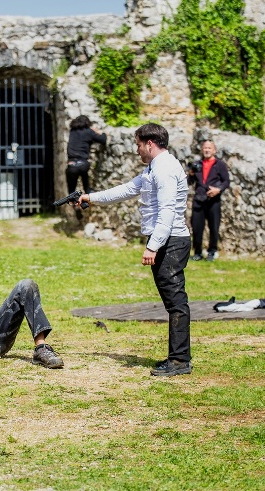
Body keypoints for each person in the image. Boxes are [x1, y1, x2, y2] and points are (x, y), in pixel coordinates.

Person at [76, 123, 192, 377]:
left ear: (150, 143)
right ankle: (178, 357)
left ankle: (180, 360)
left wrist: (153, 246)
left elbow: (167, 213)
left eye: (138, 144)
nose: (137, 150)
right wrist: (90, 197)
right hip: (166, 240)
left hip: (171, 241)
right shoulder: (154, 168)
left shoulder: (165, 170)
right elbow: (127, 189)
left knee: (176, 302)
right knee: (173, 301)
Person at [187, 140, 230, 261]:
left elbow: (226, 181)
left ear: (214, 150)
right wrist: (190, 174)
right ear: (202, 150)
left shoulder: (219, 164)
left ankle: (212, 251)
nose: (207, 150)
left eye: (209, 148)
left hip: (213, 201)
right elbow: (189, 182)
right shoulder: (197, 164)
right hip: (198, 200)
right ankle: (197, 252)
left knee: (214, 227)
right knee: (196, 227)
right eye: (205, 148)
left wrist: (218, 189)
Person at [66, 115, 107, 195]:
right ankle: (88, 192)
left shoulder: (72, 131)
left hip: (71, 164)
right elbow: (103, 140)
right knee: (85, 178)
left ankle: (74, 202)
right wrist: (101, 133)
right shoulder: (88, 131)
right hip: (83, 164)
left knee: (71, 190)